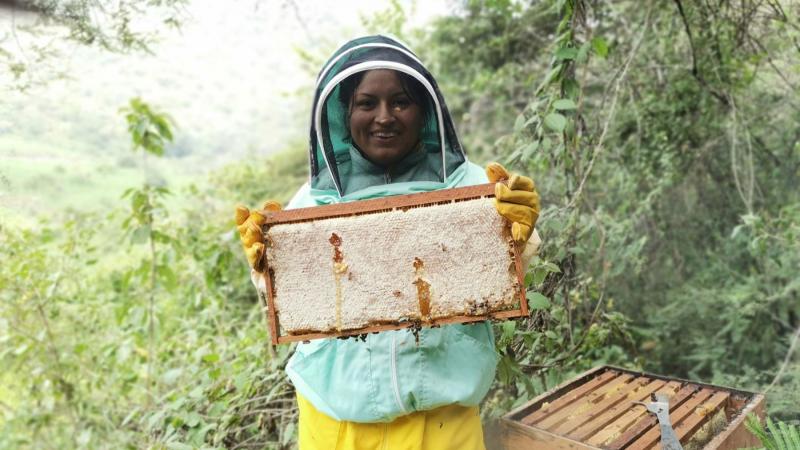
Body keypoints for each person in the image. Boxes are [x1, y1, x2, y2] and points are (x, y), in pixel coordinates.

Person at [235, 35, 540, 450]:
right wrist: (266, 264)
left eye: (400, 101)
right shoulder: (317, 199)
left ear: (424, 110)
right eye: (366, 103)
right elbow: (287, 298)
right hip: (338, 425)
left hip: (442, 424)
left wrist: (521, 232)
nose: (384, 117)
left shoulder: (469, 183)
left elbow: (510, 272)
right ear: (345, 114)